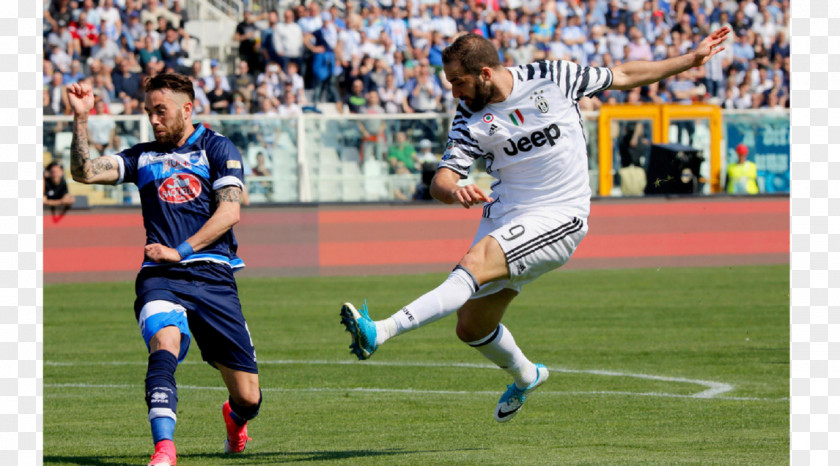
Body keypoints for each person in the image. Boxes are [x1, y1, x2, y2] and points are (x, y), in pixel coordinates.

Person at [340, 28, 730, 422]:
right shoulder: (468, 117)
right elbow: (441, 178)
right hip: (508, 213)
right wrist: (455, 188)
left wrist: (690, 60)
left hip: (561, 213)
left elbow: (622, 75)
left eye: (459, 82)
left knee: (472, 266)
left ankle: (381, 331)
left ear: (486, 73)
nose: (454, 92)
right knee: (472, 327)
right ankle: (528, 376)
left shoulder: (553, 76)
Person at [66, 73, 262, 465]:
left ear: (187, 109)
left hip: (212, 275)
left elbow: (230, 211)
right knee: (165, 343)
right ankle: (164, 449)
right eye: (148, 112)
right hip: (160, 275)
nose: (154, 120)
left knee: (248, 396)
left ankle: (235, 420)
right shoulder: (142, 156)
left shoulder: (217, 148)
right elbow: (84, 172)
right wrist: (81, 119)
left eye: (162, 111)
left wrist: (182, 249)